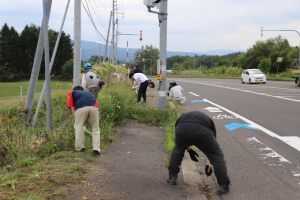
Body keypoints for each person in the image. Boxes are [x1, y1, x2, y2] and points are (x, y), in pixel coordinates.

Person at [167, 111, 231, 195]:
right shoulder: (208, 122)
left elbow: (180, 137)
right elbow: (211, 151)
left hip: (182, 129)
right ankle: (223, 185)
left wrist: (188, 149)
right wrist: (209, 163)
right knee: (217, 156)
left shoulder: (182, 117)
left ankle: (172, 177)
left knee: (177, 151)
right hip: (202, 131)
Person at [67, 85, 101, 157]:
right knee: (95, 128)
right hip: (94, 108)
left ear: (74, 89)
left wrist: (75, 116)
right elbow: (96, 105)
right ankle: (96, 150)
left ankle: (79, 148)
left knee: (79, 127)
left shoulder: (72, 92)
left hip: (82, 108)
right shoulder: (88, 93)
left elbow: (71, 106)